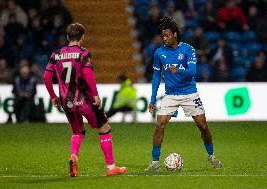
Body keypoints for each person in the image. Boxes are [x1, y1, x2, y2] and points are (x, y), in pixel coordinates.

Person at [44, 23, 127, 177]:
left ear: (68, 37)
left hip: (66, 101)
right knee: (104, 128)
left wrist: (53, 97)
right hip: (85, 100)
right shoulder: (83, 53)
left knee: (77, 131)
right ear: (82, 37)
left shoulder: (56, 54)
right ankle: (111, 167)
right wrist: (95, 94)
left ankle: (73, 156)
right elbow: (88, 74)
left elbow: (47, 76)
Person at [146, 17, 222, 171]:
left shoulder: (188, 49)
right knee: (160, 124)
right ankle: (154, 163)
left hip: (189, 93)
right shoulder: (159, 53)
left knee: (203, 126)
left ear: (175, 34)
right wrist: (153, 99)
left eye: (167, 35)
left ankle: (211, 155)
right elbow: (156, 77)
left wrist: (178, 70)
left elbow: (192, 72)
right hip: (171, 94)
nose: (165, 38)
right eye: (163, 36)